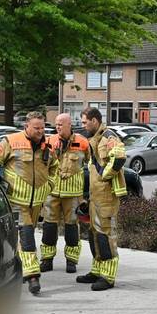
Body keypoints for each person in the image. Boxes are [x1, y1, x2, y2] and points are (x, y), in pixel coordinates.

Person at [0, 111, 55, 296]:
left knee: (22, 237)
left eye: (42, 127)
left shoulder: (47, 145)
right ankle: (33, 277)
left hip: (37, 201)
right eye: (37, 128)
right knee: (27, 235)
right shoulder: (11, 141)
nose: (41, 131)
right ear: (26, 126)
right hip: (16, 200)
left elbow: (54, 166)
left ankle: (17, 269)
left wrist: (50, 184)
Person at [77, 107, 126, 291]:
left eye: (84, 122)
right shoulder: (95, 139)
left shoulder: (109, 137)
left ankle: (108, 277)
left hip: (107, 197)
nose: (82, 125)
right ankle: (96, 271)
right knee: (94, 234)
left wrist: (105, 175)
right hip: (96, 196)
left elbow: (120, 157)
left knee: (106, 236)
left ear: (94, 121)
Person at [40, 113, 89, 274]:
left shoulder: (82, 142)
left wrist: (86, 195)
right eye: (56, 124)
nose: (58, 127)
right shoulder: (49, 141)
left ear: (70, 124)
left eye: (61, 124)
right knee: (49, 227)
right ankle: (46, 260)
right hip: (52, 192)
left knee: (71, 229)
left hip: (73, 194)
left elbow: (91, 165)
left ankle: (71, 261)